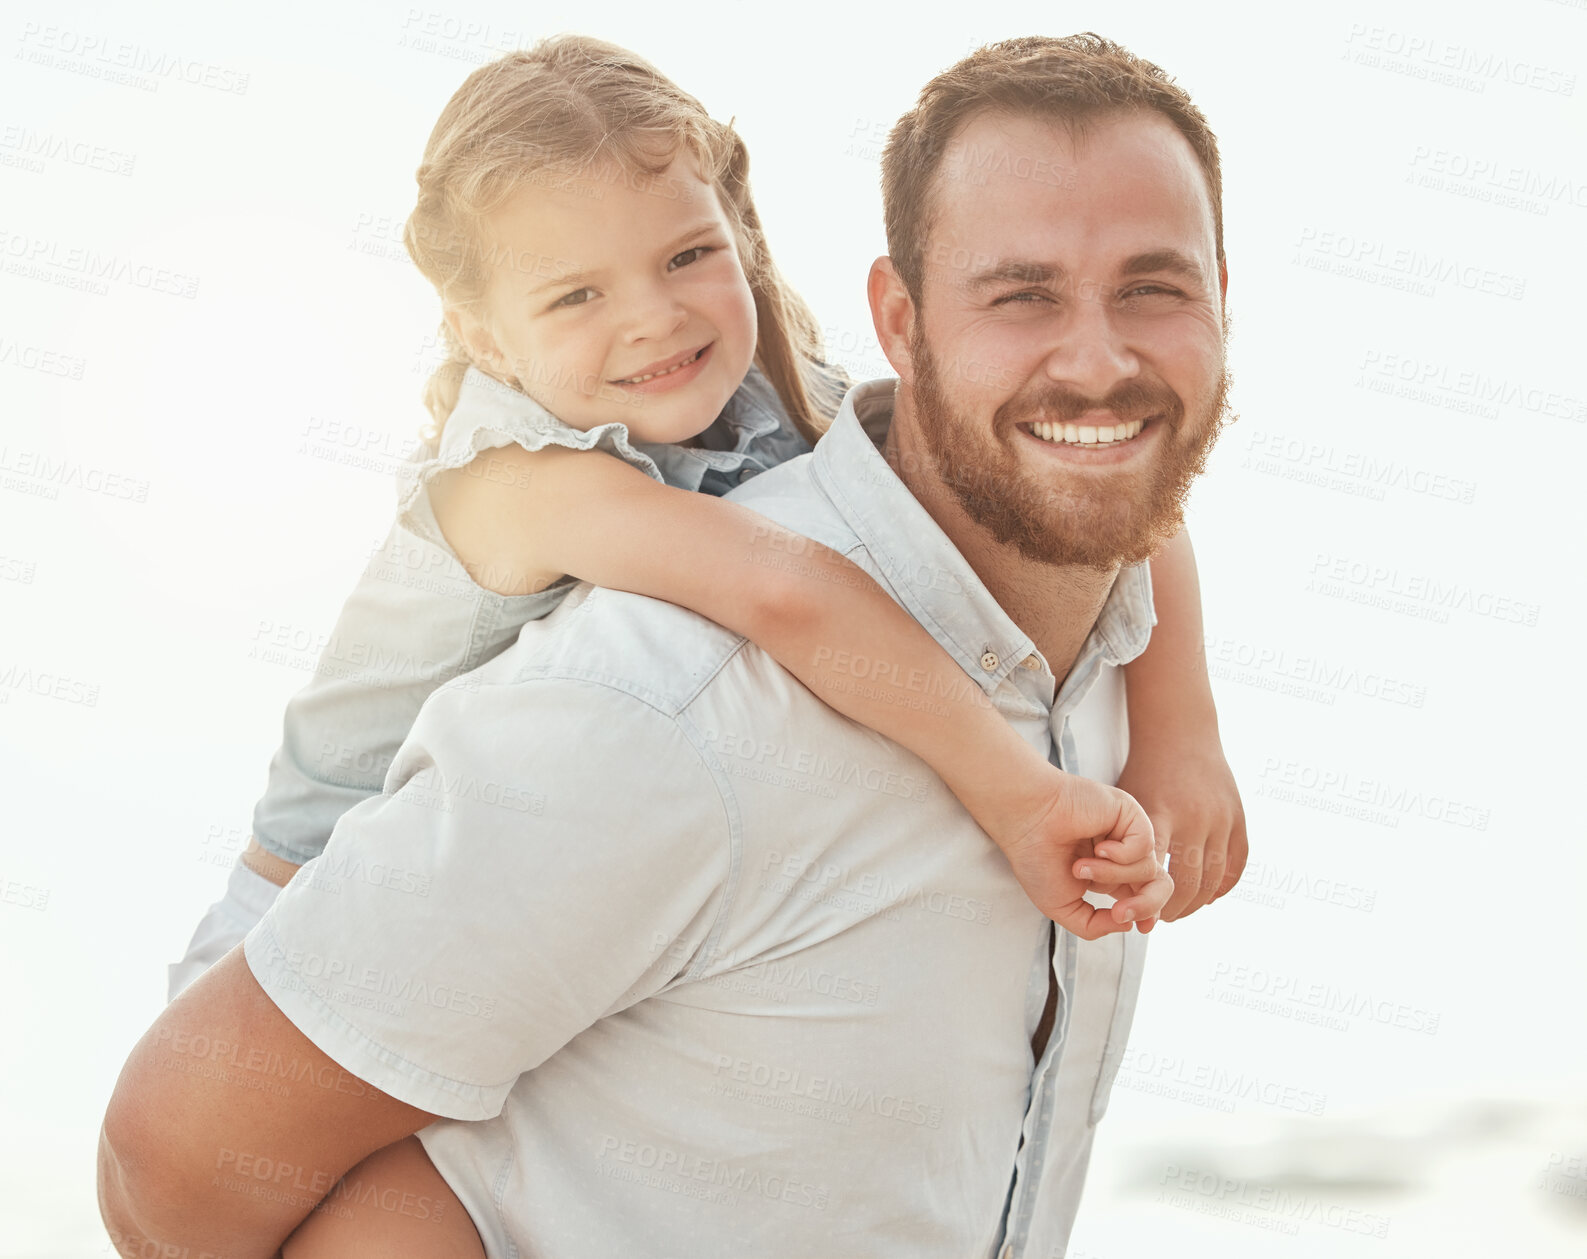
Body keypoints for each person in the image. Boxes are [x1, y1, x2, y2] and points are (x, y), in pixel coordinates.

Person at [102, 32, 1243, 1258]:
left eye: (688, 255)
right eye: (576, 293)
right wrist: (1021, 793)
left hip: (462, 908)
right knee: (400, 1219)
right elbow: (785, 589)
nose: (651, 316)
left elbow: (1112, 482)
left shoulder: (768, 388)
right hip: (298, 890)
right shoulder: (542, 520)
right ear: (487, 333)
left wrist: (1183, 729)